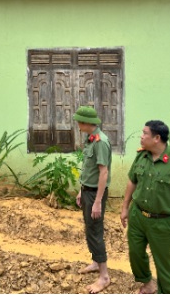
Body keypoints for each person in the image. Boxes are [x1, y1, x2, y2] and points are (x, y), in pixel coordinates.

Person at [120, 120, 170, 295]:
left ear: (157, 138)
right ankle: (147, 283)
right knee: (135, 253)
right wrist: (125, 207)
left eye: (144, 133)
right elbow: (132, 181)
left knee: (164, 264)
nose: (141, 137)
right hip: (138, 215)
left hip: (162, 223)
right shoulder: (142, 156)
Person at [72, 106, 111, 294]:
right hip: (87, 191)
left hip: (96, 194)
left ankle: (104, 276)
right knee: (89, 228)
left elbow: (104, 172)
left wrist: (97, 201)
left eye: (80, 122)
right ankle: (96, 262)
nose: (78, 125)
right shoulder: (90, 139)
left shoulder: (101, 142)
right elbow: (89, 169)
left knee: (95, 231)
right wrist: (81, 190)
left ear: (88, 123)